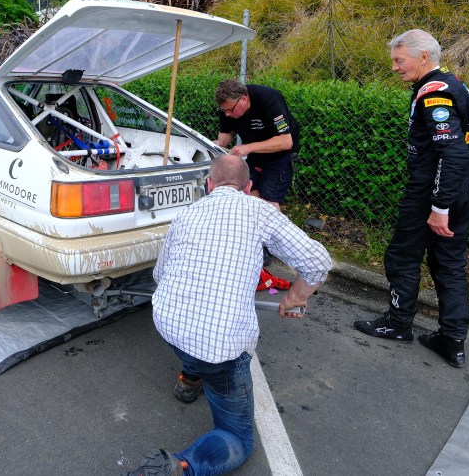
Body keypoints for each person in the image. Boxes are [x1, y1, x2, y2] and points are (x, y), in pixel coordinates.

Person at [122, 155, 331, 476]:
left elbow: (160, 276)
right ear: (248, 187)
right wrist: (295, 296)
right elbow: (317, 261)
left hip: (168, 322)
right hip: (220, 346)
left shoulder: (186, 214)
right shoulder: (259, 210)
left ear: (208, 184)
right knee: (237, 436)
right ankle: (180, 467)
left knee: (192, 336)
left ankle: (190, 378)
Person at [354, 29, 469, 368]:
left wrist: (439, 206)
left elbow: (450, 154)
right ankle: (452, 341)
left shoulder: (433, 93)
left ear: (423, 57)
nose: (395, 68)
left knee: (401, 256)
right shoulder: (455, 83)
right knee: (449, 264)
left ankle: (398, 324)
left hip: (435, 193)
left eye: (399, 60)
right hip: (466, 188)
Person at [214, 79, 299, 209]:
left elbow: (285, 141)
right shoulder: (227, 106)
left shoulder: (268, 99)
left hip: (279, 156)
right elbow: (226, 134)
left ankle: (272, 228)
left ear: (243, 99)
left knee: (269, 202)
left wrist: (248, 148)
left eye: (230, 110)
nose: (227, 114)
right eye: (224, 110)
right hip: (253, 155)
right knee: (249, 197)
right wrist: (218, 144)